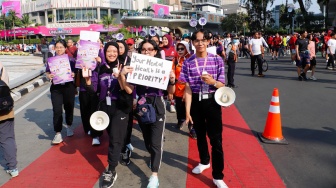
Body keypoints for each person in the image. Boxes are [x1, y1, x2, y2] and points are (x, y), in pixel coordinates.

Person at [123, 39, 175, 188]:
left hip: (157, 104)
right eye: (144, 49)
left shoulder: (162, 68)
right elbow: (130, 89)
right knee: (147, 140)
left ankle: (154, 175)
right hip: (141, 106)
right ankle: (153, 155)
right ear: (140, 52)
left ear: (155, 51)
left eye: (150, 49)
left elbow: (170, 93)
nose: (147, 52)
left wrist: (172, 80)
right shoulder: (135, 67)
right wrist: (122, 75)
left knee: (156, 141)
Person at [179, 29, 228, 188]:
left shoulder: (217, 60)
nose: (200, 43)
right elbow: (187, 89)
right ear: (192, 43)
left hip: (212, 102)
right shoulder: (188, 62)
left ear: (208, 41)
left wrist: (212, 82)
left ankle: (218, 175)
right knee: (200, 136)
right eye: (196, 40)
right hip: (195, 103)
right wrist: (187, 111)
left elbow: (222, 85)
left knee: (216, 139)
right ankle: (204, 161)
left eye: (203, 40)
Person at [84, 42, 134, 188]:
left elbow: (130, 90)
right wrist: (87, 79)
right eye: (108, 51)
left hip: (121, 106)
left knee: (115, 137)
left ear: (118, 52)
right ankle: (124, 148)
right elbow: (93, 90)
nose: (111, 54)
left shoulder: (125, 67)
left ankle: (111, 170)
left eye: (114, 51)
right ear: (104, 53)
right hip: (105, 107)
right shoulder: (100, 69)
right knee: (113, 134)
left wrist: (121, 77)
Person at [46, 40, 76, 144]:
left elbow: (75, 71)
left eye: (61, 47)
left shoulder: (70, 60)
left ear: (65, 48)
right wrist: (48, 76)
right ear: (54, 48)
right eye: (57, 47)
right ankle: (58, 133)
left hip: (68, 87)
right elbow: (47, 72)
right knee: (57, 110)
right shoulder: (51, 60)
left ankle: (69, 126)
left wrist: (73, 74)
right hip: (56, 89)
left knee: (69, 107)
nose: (59, 49)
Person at [78, 39, 104, 145]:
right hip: (84, 87)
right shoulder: (81, 53)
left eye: (97, 43)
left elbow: (106, 66)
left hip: (96, 87)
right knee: (85, 110)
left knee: (95, 110)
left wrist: (100, 60)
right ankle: (87, 128)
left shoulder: (101, 54)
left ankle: (96, 134)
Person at [171, 41, 197, 139]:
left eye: (182, 48)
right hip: (178, 88)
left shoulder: (191, 59)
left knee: (191, 109)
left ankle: (193, 128)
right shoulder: (175, 60)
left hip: (189, 88)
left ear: (186, 48)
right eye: (178, 49)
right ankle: (180, 121)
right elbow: (172, 72)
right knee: (180, 107)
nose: (180, 51)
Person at [0, 62, 19, 178]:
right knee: (8, 138)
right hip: (4, 108)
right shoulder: (1, 65)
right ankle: (13, 168)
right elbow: (6, 83)